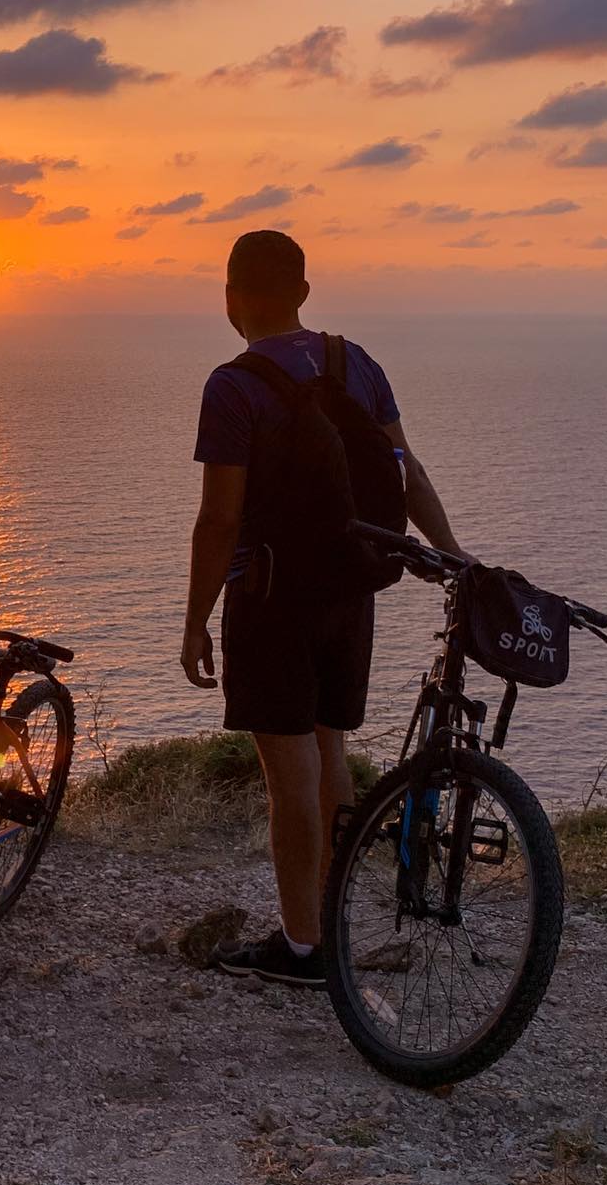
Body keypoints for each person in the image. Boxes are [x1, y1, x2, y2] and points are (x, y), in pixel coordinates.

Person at [180, 230, 464, 986]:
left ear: (231, 297)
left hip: (272, 600)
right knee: (329, 751)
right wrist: (452, 557)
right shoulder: (354, 362)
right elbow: (408, 472)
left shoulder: (232, 385)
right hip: (353, 589)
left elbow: (219, 519)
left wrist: (195, 620)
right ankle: (334, 931)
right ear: (304, 292)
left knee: (290, 775)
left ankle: (303, 947)